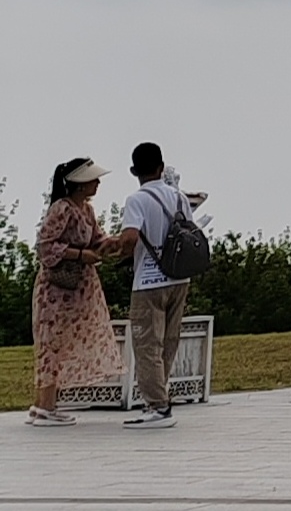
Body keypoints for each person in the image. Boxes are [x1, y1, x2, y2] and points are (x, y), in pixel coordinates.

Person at [103, 140, 203, 429]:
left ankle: (158, 407)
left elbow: (131, 238)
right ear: (161, 167)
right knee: (168, 343)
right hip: (178, 278)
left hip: (148, 280)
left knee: (147, 344)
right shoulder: (180, 198)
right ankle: (159, 398)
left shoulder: (136, 201)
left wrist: (116, 250)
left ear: (134, 170)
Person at [28, 160, 124, 423]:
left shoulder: (86, 211)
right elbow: (45, 247)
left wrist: (112, 244)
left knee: (63, 341)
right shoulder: (62, 209)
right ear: (79, 184)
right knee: (52, 342)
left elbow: (97, 237)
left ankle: (46, 403)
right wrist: (81, 255)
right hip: (58, 288)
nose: (98, 183)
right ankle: (45, 404)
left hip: (78, 288)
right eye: (92, 179)